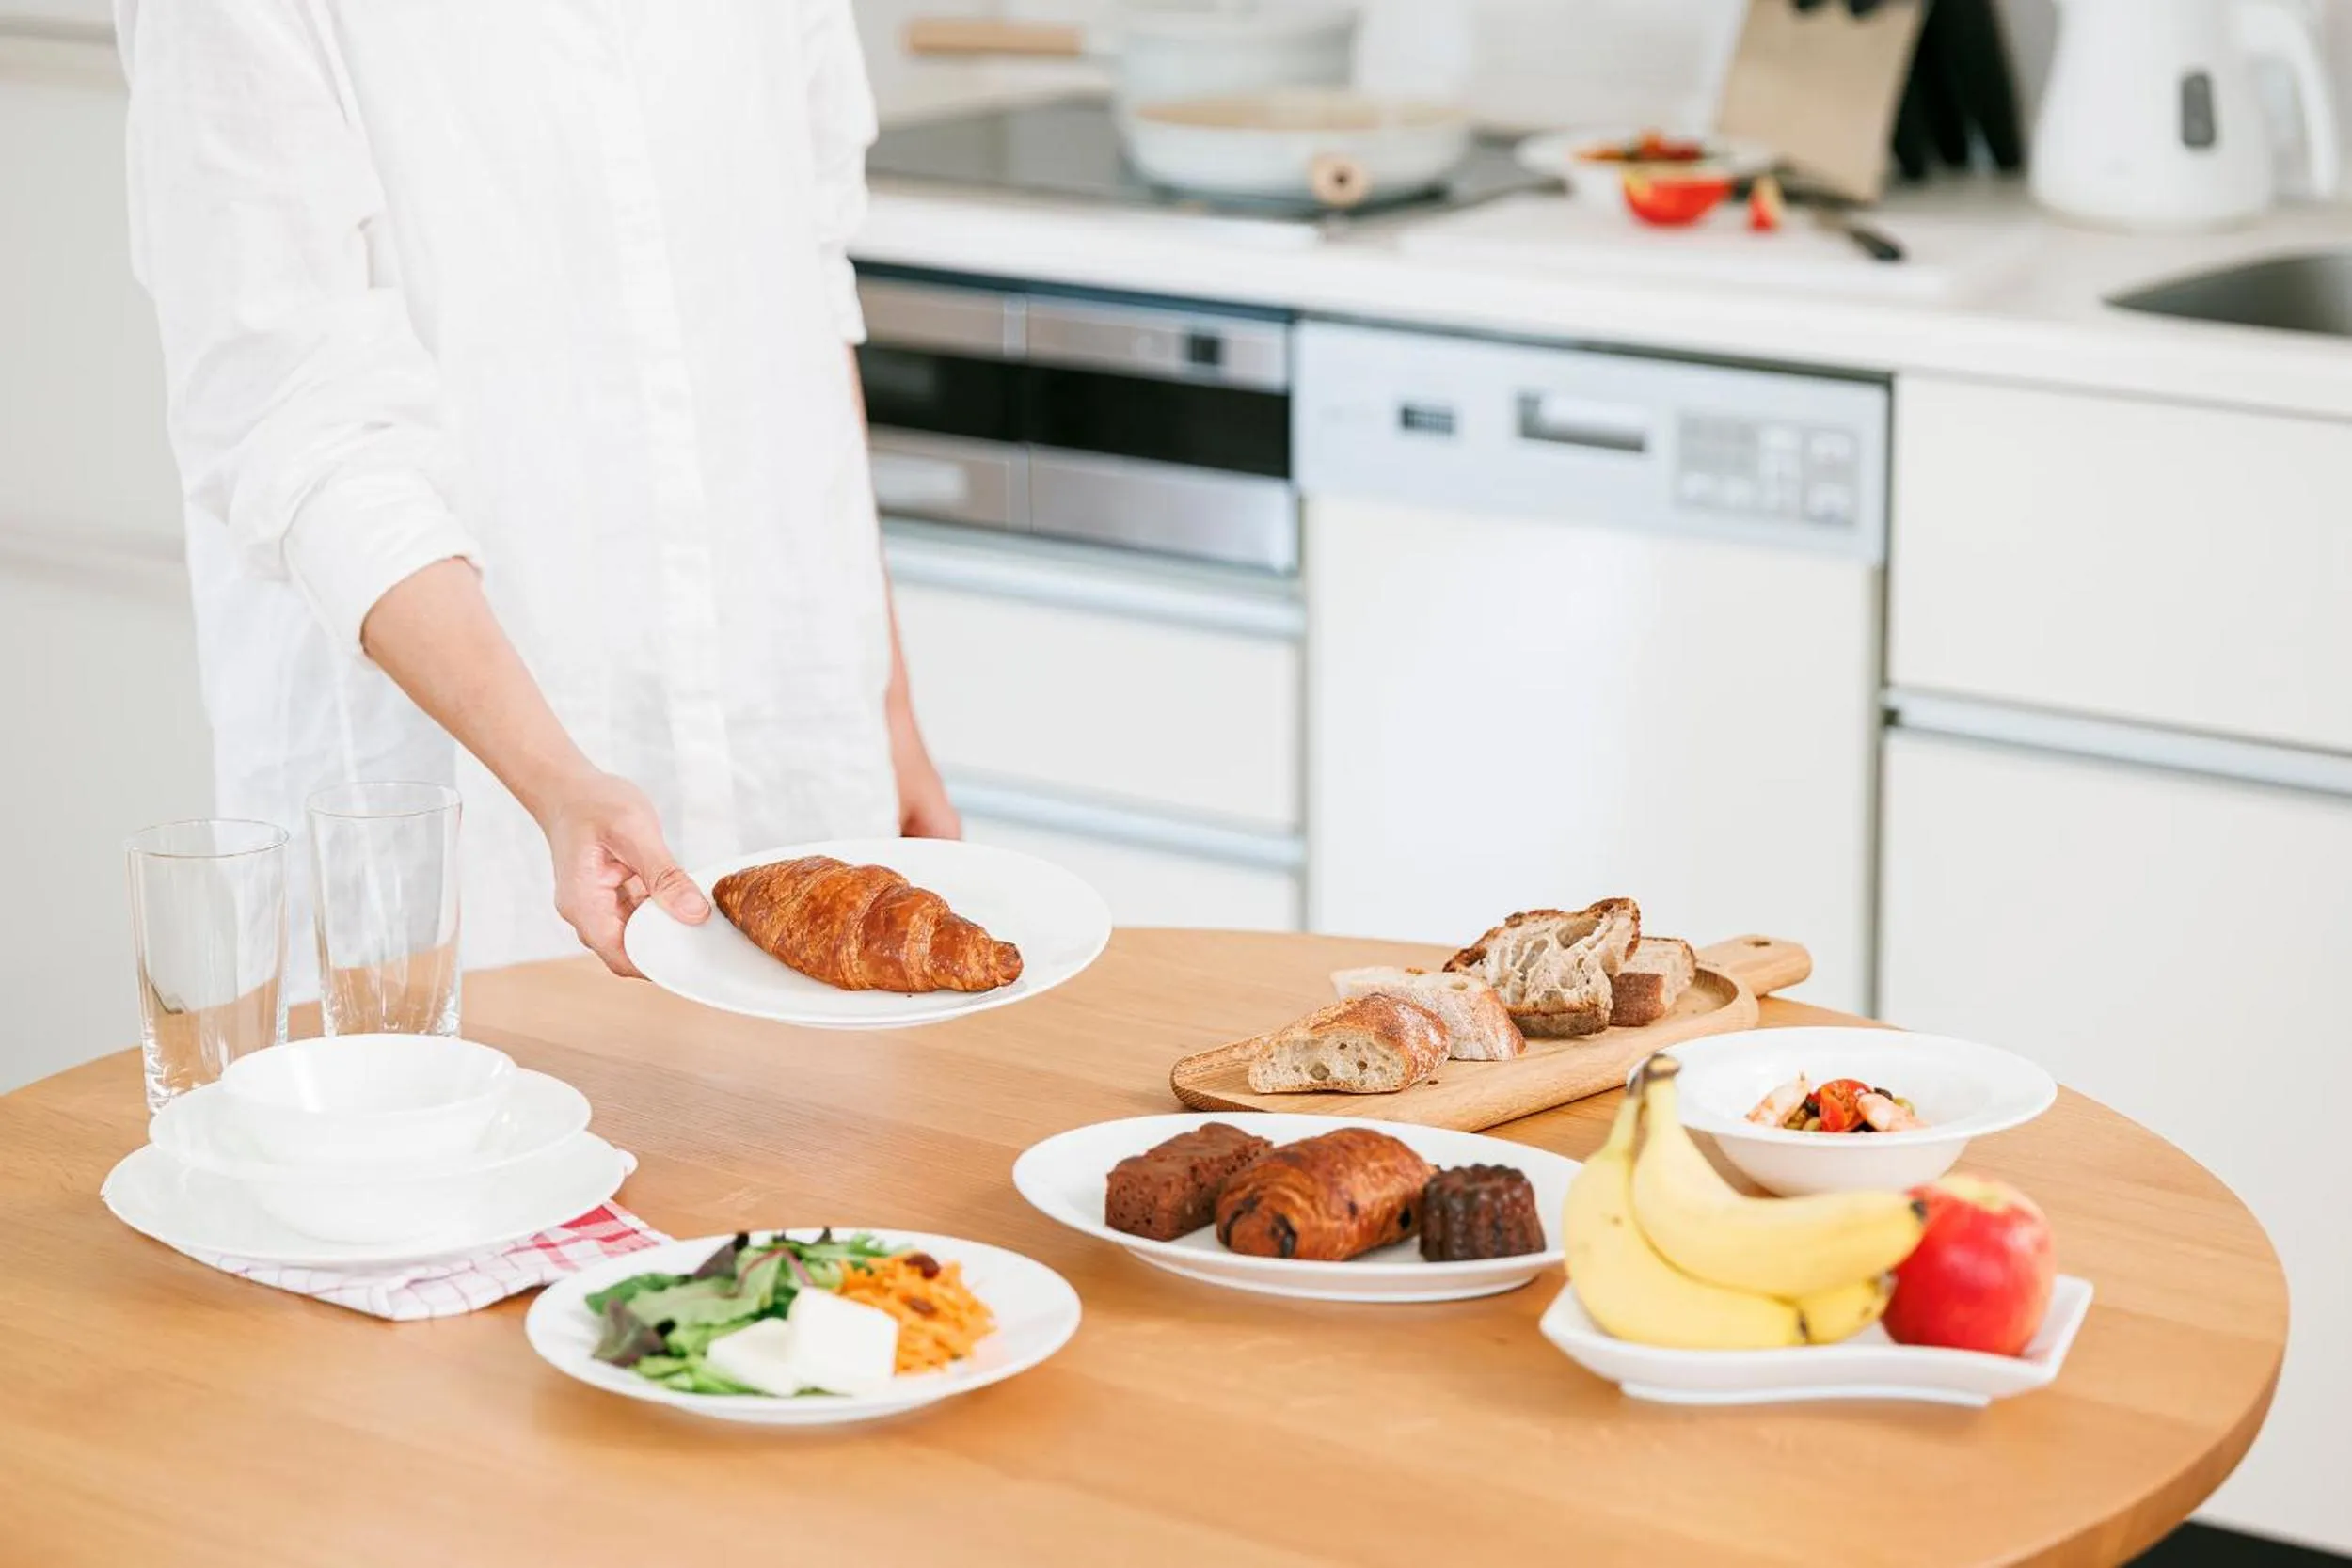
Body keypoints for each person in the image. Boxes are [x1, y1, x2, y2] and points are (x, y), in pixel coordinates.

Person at [115, 2, 957, 988]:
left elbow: (805, 286)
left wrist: (885, 707)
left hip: (785, 738)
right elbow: (298, 424)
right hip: (459, 827)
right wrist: (556, 779)